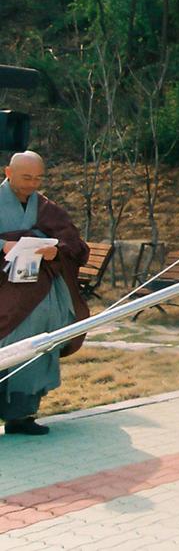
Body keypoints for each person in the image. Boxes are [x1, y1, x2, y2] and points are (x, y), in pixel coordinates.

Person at [1, 151, 90, 436]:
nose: (32, 183)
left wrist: (55, 251)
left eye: (38, 178)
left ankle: (23, 415)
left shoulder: (46, 207)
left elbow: (75, 244)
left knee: (38, 348)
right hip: (5, 293)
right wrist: (3, 245)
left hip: (41, 293)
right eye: (27, 177)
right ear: (8, 172)